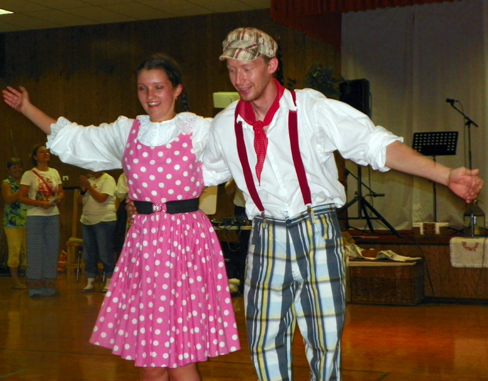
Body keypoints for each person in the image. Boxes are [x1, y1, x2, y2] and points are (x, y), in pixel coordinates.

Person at [202, 27, 484, 381]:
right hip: (265, 233)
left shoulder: (312, 109)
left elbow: (376, 145)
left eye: (248, 67)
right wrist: (147, 203)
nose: (239, 79)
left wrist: (444, 176)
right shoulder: (225, 126)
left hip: (316, 228)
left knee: (324, 341)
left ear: (272, 65)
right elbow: (199, 175)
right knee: (263, 340)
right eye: (231, 69)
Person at [2, 53, 240, 381]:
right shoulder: (127, 131)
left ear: (176, 90)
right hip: (145, 244)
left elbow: (245, 140)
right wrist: (27, 108)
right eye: (143, 88)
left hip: (186, 243)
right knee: (152, 360)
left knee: (183, 358)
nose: (151, 95)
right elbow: (76, 138)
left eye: (159, 87)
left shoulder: (199, 129)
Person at [18, 144, 64, 297]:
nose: (45, 154)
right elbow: (21, 197)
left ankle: (50, 286)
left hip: (53, 214)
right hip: (35, 215)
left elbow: (61, 191)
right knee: (35, 250)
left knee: (52, 249)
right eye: (42, 152)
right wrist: (40, 203)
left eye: (47, 152)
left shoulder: (54, 172)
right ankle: (35, 287)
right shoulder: (29, 174)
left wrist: (58, 198)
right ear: (35, 157)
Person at [78, 171, 117, 293]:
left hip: (104, 220)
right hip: (87, 220)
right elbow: (80, 201)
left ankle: (109, 281)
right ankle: (91, 281)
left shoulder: (108, 179)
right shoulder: (90, 180)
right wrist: (84, 190)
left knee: (105, 252)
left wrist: (89, 186)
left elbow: (102, 199)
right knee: (89, 253)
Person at [1, 157, 28, 289]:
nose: (17, 170)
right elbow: (9, 199)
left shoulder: (27, 181)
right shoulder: (6, 183)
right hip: (12, 223)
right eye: (14, 167)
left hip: (28, 221)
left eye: (19, 167)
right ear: (9, 170)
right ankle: (16, 281)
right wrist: (22, 190)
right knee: (14, 251)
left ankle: (30, 279)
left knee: (28, 251)